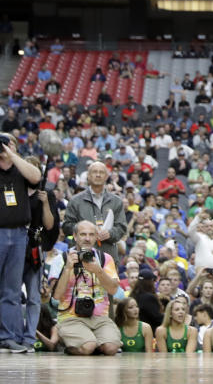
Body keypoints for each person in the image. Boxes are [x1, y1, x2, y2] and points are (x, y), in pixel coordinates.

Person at [51, 220, 123, 355]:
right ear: (75, 236)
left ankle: (90, 341)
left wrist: (98, 271)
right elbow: (56, 296)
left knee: (111, 348)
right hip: (71, 316)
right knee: (88, 346)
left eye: (91, 234)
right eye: (83, 234)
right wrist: (67, 269)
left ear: (96, 237)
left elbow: (113, 290)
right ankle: (73, 341)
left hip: (100, 317)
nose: (87, 238)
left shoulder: (104, 258)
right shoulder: (61, 258)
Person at [0, 140, 42, 353]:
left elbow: (36, 177)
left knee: (12, 290)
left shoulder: (21, 170)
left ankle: (10, 336)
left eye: (9, 145)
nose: (4, 148)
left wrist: (12, 155)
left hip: (18, 234)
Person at [20, 169, 59, 352]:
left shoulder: (45, 195)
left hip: (35, 247)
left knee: (34, 297)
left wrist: (44, 203)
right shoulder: (15, 188)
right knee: (11, 295)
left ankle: (29, 337)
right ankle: (11, 334)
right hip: (15, 245)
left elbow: (49, 225)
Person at [62, 161, 128, 263]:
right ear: (88, 176)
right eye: (94, 172)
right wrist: (85, 231)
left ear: (106, 177)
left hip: (108, 257)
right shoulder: (75, 200)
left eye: (101, 172)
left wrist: (109, 233)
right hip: (80, 257)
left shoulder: (116, 201)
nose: (98, 175)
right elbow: (66, 226)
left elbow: (122, 227)